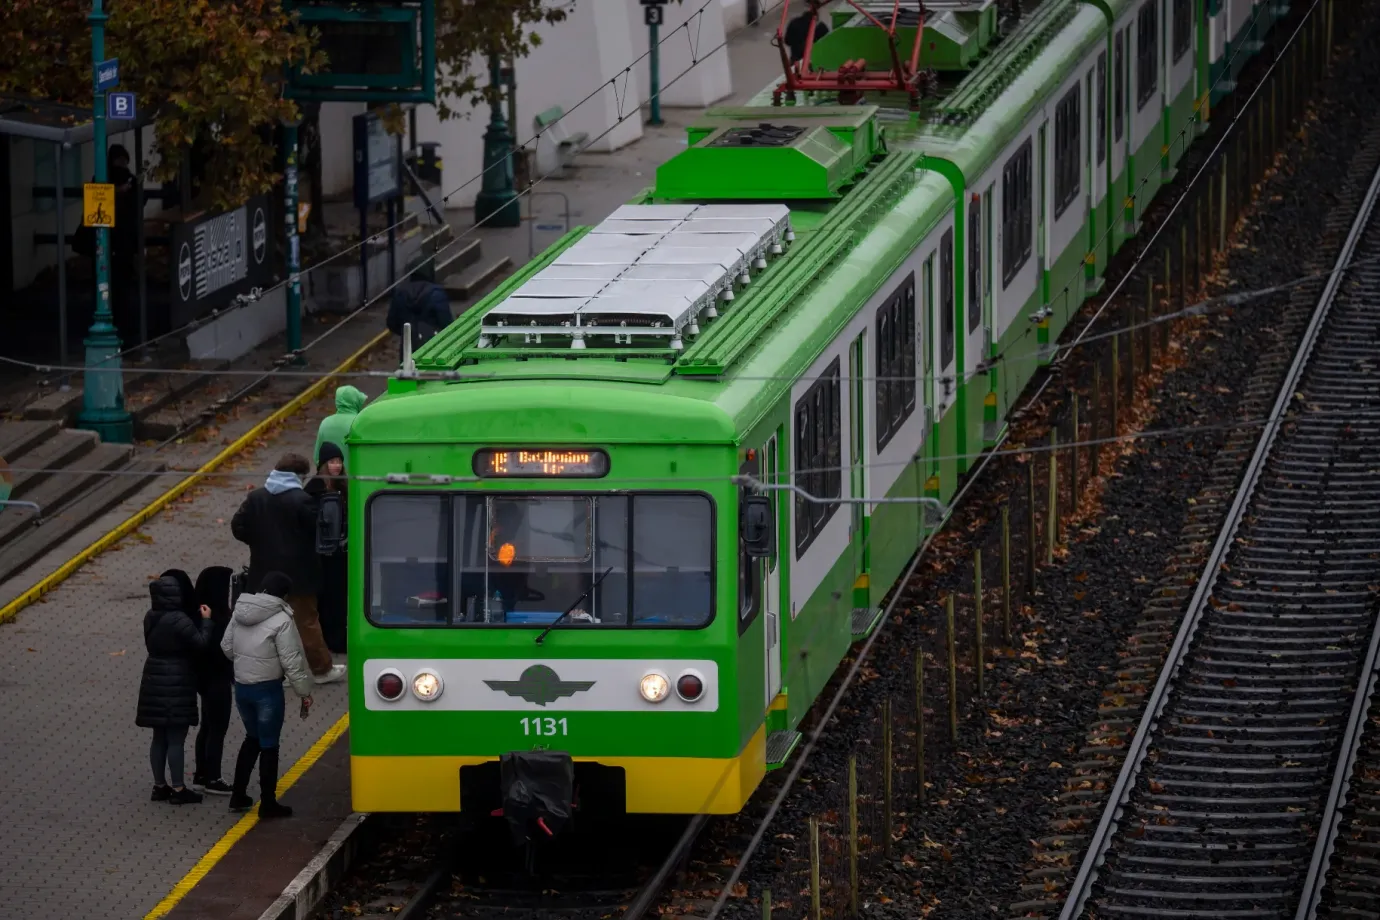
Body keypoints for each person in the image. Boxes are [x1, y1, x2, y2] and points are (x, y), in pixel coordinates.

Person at [231, 453, 345, 684]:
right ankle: (322, 670)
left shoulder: (256, 498)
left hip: (263, 574)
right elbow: (318, 532)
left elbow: (238, 527)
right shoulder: (302, 500)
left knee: (267, 626)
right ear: (299, 476)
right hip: (299, 576)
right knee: (307, 624)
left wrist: (259, 544)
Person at [221, 571, 316, 817]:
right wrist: (304, 692)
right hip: (267, 690)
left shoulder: (240, 610)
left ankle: (238, 796)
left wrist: (245, 663)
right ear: (284, 595)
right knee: (269, 745)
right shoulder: (282, 618)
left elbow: (227, 647)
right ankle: (268, 803)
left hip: (242, 687)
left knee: (251, 738)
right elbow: (292, 661)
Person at [136, 569, 213, 805]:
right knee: (176, 737)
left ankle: (160, 786)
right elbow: (201, 643)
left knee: (158, 736)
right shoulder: (179, 619)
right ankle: (179, 789)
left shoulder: (151, 616)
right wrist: (207, 621)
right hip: (177, 678)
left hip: (153, 676)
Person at [191, 566, 236, 795]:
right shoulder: (216, 617)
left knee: (207, 726)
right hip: (217, 678)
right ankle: (213, 777)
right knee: (218, 728)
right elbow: (221, 650)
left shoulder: (197, 613)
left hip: (203, 679)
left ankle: (201, 773)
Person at [307, 442, 348, 653]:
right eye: (332, 462)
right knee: (328, 598)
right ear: (323, 464)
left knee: (340, 596)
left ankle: (339, 636)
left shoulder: (344, 485)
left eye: (339, 461)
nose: (337, 466)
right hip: (324, 555)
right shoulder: (315, 488)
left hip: (341, 553)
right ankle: (331, 638)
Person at [386, 262, 452, 359]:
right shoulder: (436, 293)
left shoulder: (401, 293)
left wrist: (408, 333)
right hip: (434, 346)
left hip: (408, 347)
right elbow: (446, 322)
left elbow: (391, 322)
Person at [313, 385, 366, 465]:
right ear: (356, 402)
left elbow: (317, 458)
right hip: (356, 475)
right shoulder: (360, 422)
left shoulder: (325, 423)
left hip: (331, 476)